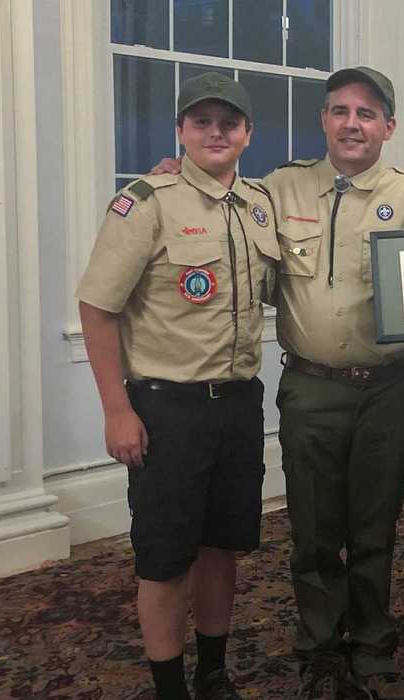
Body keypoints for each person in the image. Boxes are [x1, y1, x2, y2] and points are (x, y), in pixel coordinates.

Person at [151, 66, 404, 700]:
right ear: (324, 121)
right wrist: (178, 173)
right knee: (313, 531)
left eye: (367, 113)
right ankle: (318, 647)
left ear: (388, 127)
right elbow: (217, 192)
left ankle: (371, 642)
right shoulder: (277, 190)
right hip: (310, 389)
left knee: (375, 523)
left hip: (386, 387)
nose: (352, 123)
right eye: (340, 110)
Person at [78, 72, 279, 700]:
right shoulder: (146, 202)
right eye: (201, 123)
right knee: (165, 559)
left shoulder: (259, 206)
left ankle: (213, 673)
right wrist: (117, 409)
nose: (215, 133)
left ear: (248, 133)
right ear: (181, 131)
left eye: (228, 123)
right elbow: (97, 307)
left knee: (223, 548)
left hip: (239, 405)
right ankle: (169, 686)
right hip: (168, 410)